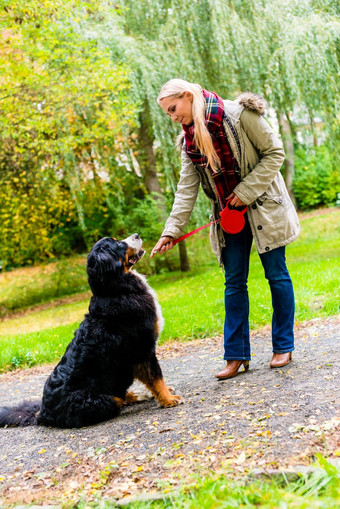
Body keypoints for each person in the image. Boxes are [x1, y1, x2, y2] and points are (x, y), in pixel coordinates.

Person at [150, 79, 300, 379]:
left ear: (188, 96)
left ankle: (283, 345)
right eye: (167, 113)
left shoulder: (241, 114)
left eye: (173, 108)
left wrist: (244, 193)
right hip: (227, 217)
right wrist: (171, 231)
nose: (173, 117)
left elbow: (275, 153)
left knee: (277, 275)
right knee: (234, 283)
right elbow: (185, 189)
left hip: (263, 207)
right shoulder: (189, 141)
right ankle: (236, 356)